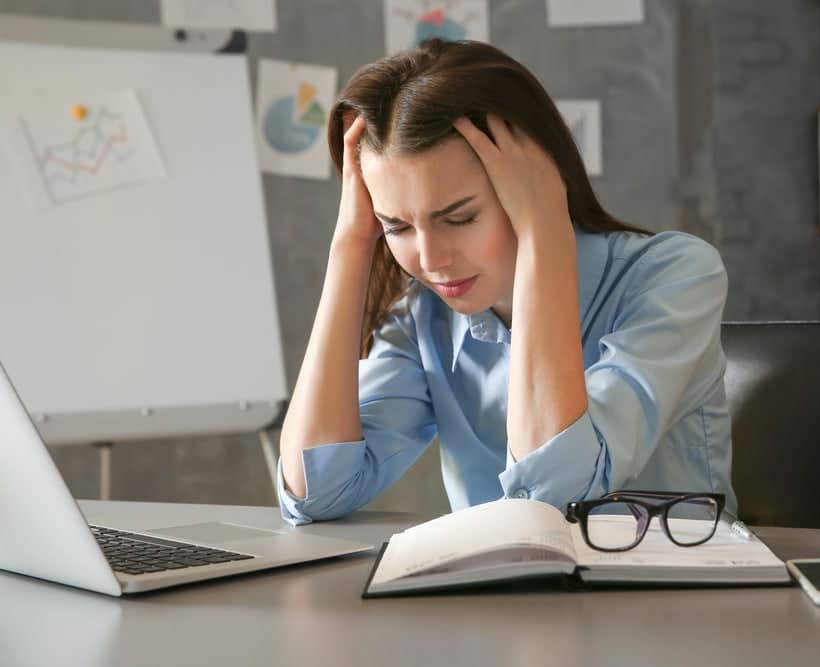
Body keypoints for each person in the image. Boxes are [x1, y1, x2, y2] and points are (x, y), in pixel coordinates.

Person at [277, 38, 736, 525]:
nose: (431, 260)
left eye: (461, 218)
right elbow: (315, 492)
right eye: (399, 227)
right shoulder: (421, 318)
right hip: (500, 598)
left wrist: (545, 228)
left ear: (533, 180)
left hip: (671, 594)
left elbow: (555, 494)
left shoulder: (675, 275)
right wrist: (351, 243)